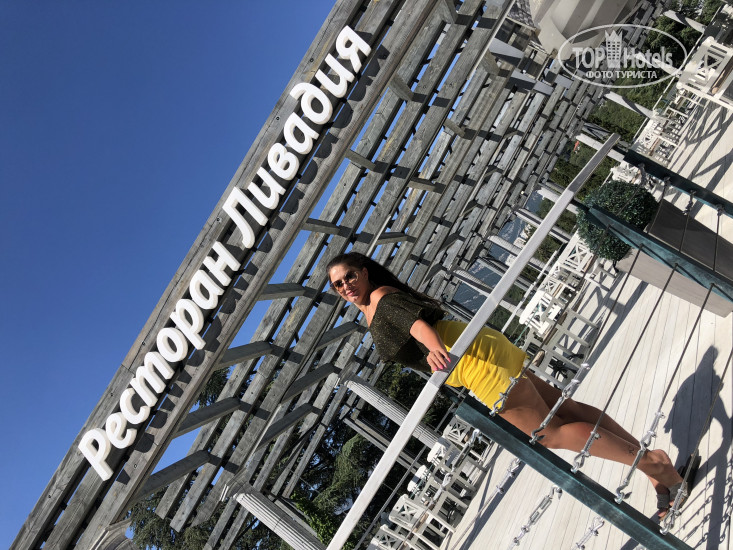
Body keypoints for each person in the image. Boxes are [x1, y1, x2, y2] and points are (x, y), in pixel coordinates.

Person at [327, 252, 686, 516]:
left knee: (548, 434)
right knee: (567, 410)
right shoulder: (374, 304)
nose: (346, 286)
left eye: (349, 276)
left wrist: (435, 349)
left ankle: (657, 466)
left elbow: (417, 326)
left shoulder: (380, 300)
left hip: (474, 363)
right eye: (338, 284)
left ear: (364, 272)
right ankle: (649, 463)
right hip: (480, 349)